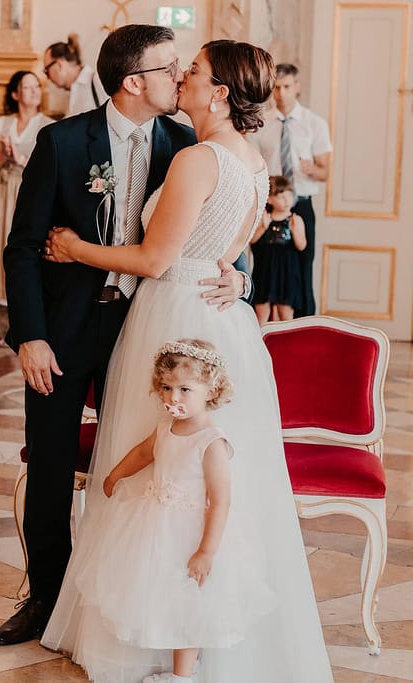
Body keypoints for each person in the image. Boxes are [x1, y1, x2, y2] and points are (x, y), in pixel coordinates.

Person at [39, 39, 332, 680]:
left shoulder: (199, 158)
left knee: (162, 471)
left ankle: (145, 637)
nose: (182, 77)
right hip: (223, 322)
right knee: (201, 475)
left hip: (173, 313)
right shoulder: (252, 162)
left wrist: (73, 248)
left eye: (193, 70)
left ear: (219, 92)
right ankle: (206, 636)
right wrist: (240, 279)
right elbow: (232, 249)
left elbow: (154, 259)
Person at [0, 24, 247, 647]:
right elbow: (23, 247)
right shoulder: (62, 142)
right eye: (169, 67)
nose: (180, 75)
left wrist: (239, 275)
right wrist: (30, 336)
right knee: (51, 464)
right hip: (65, 330)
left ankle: (120, 607)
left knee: (140, 461)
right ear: (134, 82)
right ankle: (46, 599)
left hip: (145, 331)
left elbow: (219, 226)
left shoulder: (185, 144)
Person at [70, 340, 276, 682]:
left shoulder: (212, 441)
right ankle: (167, 662)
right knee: (159, 596)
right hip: (153, 525)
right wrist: (116, 474)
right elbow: (143, 453)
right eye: (166, 388)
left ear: (211, 390)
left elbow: (220, 500)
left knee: (188, 606)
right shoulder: (166, 427)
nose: (172, 397)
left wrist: (206, 550)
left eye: (184, 389)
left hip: (191, 533)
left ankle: (182, 676)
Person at [0, 71, 53, 346]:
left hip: (30, 191)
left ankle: (20, 326)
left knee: (27, 250)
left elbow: (50, 167)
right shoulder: (2, 123)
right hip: (4, 188)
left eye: (36, 86)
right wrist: (4, 155)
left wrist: (22, 160)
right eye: (26, 87)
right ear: (15, 93)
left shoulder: (49, 125)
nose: (33, 91)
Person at [248, 63, 331, 318]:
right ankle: (260, 329)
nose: (281, 93)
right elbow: (251, 165)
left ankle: (303, 327)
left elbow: (325, 172)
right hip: (268, 206)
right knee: (263, 267)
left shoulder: (314, 124)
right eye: (276, 87)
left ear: (297, 87)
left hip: (300, 205)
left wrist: (311, 169)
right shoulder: (261, 123)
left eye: (286, 87)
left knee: (302, 269)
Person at [250, 175, 306, 324]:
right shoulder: (264, 217)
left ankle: (286, 339)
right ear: (269, 199)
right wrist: (263, 227)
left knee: (286, 315)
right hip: (265, 271)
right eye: (281, 197)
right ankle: (260, 337)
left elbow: (302, 246)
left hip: (287, 272)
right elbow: (252, 241)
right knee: (261, 314)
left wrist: (295, 232)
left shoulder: (295, 219)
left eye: (289, 196)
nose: (287, 201)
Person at [43, 34, 108, 117]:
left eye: (47, 71)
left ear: (59, 64)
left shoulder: (98, 80)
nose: (48, 78)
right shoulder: (70, 93)